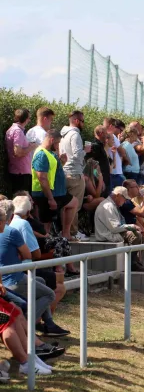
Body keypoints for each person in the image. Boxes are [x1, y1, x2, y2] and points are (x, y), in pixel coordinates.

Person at [0, 202, 70, 337]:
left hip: (9, 277)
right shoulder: (13, 230)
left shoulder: (10, 229)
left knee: (41, 281)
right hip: (12, 279)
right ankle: (24, 325)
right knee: (50, 294)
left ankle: (48, 323)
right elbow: (31, 255)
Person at [10, 196, 67, 316]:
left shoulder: (9, 223)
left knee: (54, 280)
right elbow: (35, 254)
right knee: (59, 286)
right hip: (23, 271)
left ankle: (47, 321)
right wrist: (50, 255)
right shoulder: (23, 223)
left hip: (16, 270)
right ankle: (42, 322)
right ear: (27, 212)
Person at [31, 130, 79, 240]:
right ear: (51, 140)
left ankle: (65, 234)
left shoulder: (50, 153)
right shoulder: (41, 154)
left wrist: (62, 162)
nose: (58, 146)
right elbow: (42, 177)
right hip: (45, 194)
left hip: (57, 192)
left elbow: (54, 171)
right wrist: (50, 198)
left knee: (73, 202)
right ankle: (44, 249)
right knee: (45, 224)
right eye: (57, 143)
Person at [60, 110, 90, 240]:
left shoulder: (63, 135)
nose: (83, 124)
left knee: (65, 204)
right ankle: (72, 232)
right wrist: (85, 150)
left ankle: (65, 232)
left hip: (64, 172)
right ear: (76, 121)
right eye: (82, 121)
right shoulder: (75, 135)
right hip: (75, 173)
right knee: (75, 205)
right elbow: (77, 155)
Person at [6, 109, 36, 195]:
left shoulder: (12, 129)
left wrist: (28, 145)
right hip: (21, 173)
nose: (29, 120)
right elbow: (17, 152)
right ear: (25, 119)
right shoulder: (18, 131)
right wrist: (31, 147)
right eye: (29, 118)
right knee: (21, 202)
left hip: (17, 171)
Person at [86, 125, 111, 198]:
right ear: (100, 133)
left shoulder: (100, 145)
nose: (107, 136)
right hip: (98, 181)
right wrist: (99, 179)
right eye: (106, 133)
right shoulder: (93, 145)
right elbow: (89, 163)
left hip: (103, 179)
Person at [104, 118, 128, 191]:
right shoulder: (112, 136)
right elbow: (123, 152)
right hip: (115, 173)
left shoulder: (108, 136)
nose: (120, 132)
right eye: (120, 130)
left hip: (113, 170)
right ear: (111, 126)